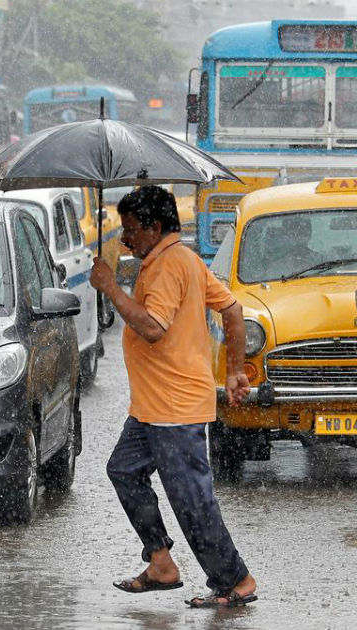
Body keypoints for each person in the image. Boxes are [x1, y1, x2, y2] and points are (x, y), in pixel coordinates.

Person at [88, 185, 258, 609]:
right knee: (124, 470)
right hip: (151, 409)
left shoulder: (168, 266)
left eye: (131, 230)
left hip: (173, 409)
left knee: (192, 499)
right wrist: (234, 370)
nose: (125, 239)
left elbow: (151, 327)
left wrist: (111, 288)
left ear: (155, 227)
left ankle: (234, 580)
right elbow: (234, 310)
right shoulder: (180, 259)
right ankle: (161, 562)